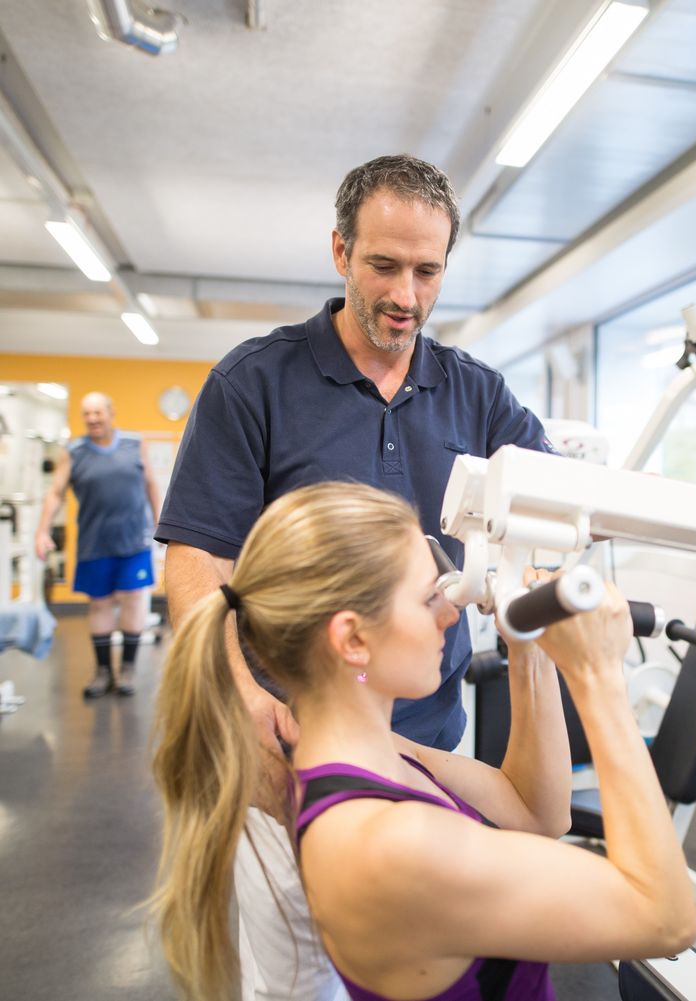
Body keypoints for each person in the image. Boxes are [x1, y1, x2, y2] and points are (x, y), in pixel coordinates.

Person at [154, 153, 557, 998]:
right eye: (382, 265)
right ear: (340, 252)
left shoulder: (478, 397)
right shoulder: (253, 383)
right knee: (299, 979)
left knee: (416, 974)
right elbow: (197, 563)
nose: (405, 295)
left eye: (427, 270)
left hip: (427, 744)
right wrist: (243, 697)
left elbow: (553, 518)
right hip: (291, 747)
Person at [150, 481, 696, 1001]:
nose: (450, 611)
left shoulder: (368, 754)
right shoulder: (392, 843)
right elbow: (665, 918)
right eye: (426, 598)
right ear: (353, 639)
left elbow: (537, 813)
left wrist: (528, 648)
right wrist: (598, 677)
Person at [36, 391, 160, 698]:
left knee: (133, 600)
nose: (92, 419)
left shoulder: (135, 444)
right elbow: (55, 493)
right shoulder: (74, 451)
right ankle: (103, 671)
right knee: (100, 604)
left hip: (134, 539)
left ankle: (128, 669)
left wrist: (161, 523)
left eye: (97, 413)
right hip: (95, 542)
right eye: (86, 414)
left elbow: (151, 484)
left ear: (110, 412)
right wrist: (42, 530)